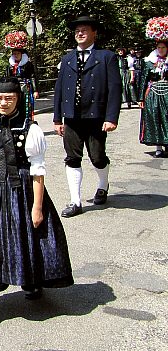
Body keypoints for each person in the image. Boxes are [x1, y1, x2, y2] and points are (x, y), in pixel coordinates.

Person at [0, 78, 73, 332]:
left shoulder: (31, 130)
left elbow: (38, 172)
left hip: (22, 190)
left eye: (9, 99)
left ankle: (32, 282)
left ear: (18, 99)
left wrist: (37, 207)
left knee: (28, 237)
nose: (3, 103)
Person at [53, 16, 122, 218]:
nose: (80, 34)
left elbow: (115, 89)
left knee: (97, 157)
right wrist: (58, 119)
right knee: (72, 158)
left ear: (94, 33)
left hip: (96, 117)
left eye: (84, 30)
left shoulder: (106, 57)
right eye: (77, 31)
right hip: (72, 118)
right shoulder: (67, 59)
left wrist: (111, 118)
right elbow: (59, 90)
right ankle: (76, 201)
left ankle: (102, 185)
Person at [138, 17, 168, 158]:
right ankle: (158, 147)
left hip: (167, 93)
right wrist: (140, 97)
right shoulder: (150, 62)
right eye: (159, 47)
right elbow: (143, 79)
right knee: (154, 118)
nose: (161, 50)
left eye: (163, 47)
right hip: (153, 94)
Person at [4, 31, 39, 120]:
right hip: (15, 87)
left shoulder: (28, 64)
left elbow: (32, 77)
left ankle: (28, 121)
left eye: (18, 54)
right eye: (14, 54)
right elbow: (7, 77)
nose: (16, 56)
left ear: (22, 54)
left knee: (26, 105)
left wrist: (35, 90)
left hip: (25, 87)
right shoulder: (10, 66)